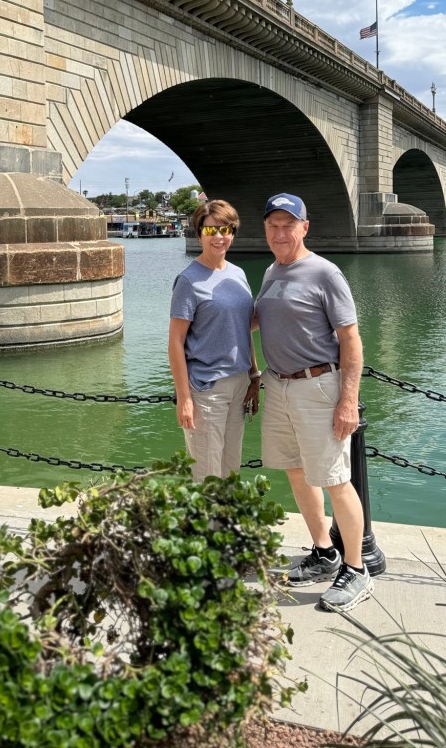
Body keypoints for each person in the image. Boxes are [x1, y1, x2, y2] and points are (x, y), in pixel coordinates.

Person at [254, 193, 373, 612]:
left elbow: (351, 340)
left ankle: (356, 569)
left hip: (318, 386)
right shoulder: (272, 270)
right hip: (279, 385)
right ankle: (324, 552)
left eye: (289, 225)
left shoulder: (325, 273)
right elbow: (263, 319)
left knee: (336, 480)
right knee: (296, 472)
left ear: (305, 227)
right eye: (273, 225)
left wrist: (348, 401)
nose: (280, 233)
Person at [168, 199, 261, 481]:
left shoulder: (238, 274)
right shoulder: (188, 280)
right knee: (207, 476)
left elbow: (242, 329)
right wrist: (184, 398)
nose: (218, 237)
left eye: (225, 230)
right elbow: (175, 342)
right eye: (210, 230)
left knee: (231, 470)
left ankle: (227, 513)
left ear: (233, 233)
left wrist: (254, 376)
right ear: (199, 234)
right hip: (206, 388)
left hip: (239, 384)